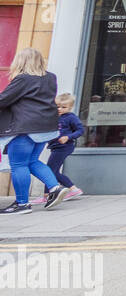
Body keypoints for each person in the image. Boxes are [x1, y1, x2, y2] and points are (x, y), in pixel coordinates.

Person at [0, 49, 71, 214]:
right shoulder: (50, 77)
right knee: (32, 161)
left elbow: (3, 100)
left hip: (25, 128)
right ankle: (55, 188)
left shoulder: (23, 79)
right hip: (45, 128)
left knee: (18, 164)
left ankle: (22, 204)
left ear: (21, 62)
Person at [45, 93, 86, 202]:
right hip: (55, 146)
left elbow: (80, 130)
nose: (60, 109)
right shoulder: (54, 117)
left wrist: (68, 137)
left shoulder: (71, 117)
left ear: (70, 107)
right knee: (52, 171)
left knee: (49, 171)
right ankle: (49, 194)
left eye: (64, 107)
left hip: (63, 147)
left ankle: (72, 189)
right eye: (57, 106)